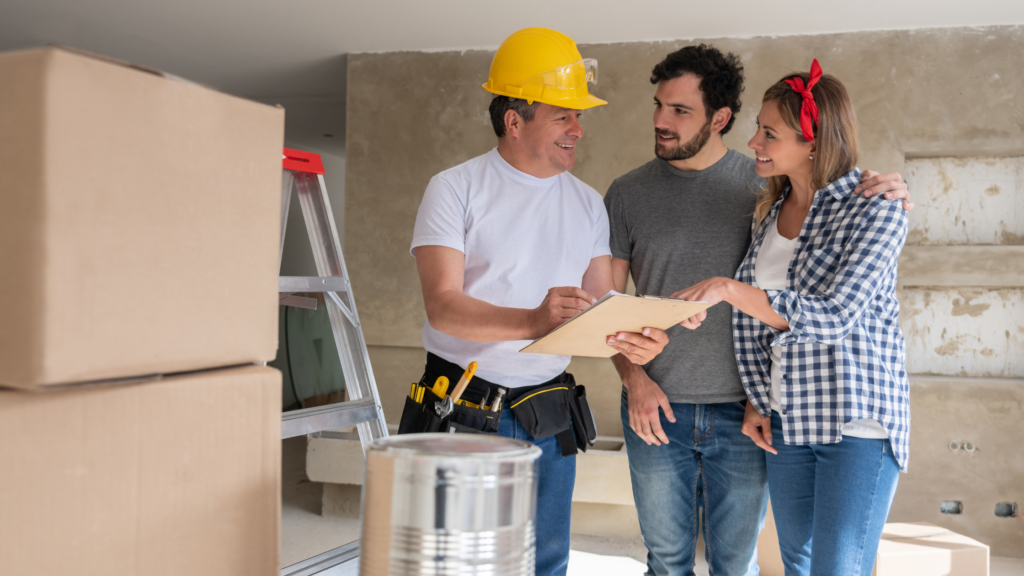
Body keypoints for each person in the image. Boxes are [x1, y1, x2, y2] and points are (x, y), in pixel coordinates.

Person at [604, 45, 912, 576]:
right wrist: (753, 396)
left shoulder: (829, 197)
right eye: (659, 105)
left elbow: (831, 313)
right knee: (770, 561)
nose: (660, 120)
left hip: (839, 415)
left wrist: (726, 295)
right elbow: (747, 329)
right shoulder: (766, 209)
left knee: (801, 565)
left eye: (769, 132)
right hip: (762, 418)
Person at [410, 28, 668, 576]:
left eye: (579, 117)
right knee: (457, 564)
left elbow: (602, 306)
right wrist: (532, 319)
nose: (578, 130)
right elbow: (444, 306)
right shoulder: (455, 189)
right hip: (463, 407)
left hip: (546, 412)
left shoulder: (586, 204)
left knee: (546, 563)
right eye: (563, 116)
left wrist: (642, 331)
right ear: (514, 120)